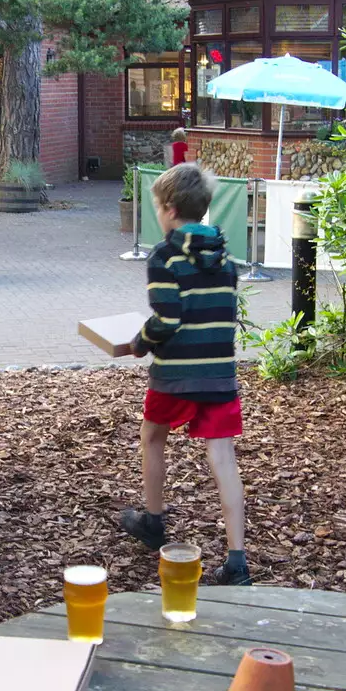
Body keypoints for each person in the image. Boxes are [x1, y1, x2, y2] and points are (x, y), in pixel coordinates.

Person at [119, 163, 250, 586]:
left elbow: (168, 317)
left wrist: (139, 342)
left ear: (170, 209)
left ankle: (153, 521)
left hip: (176, 373)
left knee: (152, 436)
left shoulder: (164, 255)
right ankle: (236, 560)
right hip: (218, 375)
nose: (157, 214)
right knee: (223, 457)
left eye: (157, 207)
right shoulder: (226, 255)